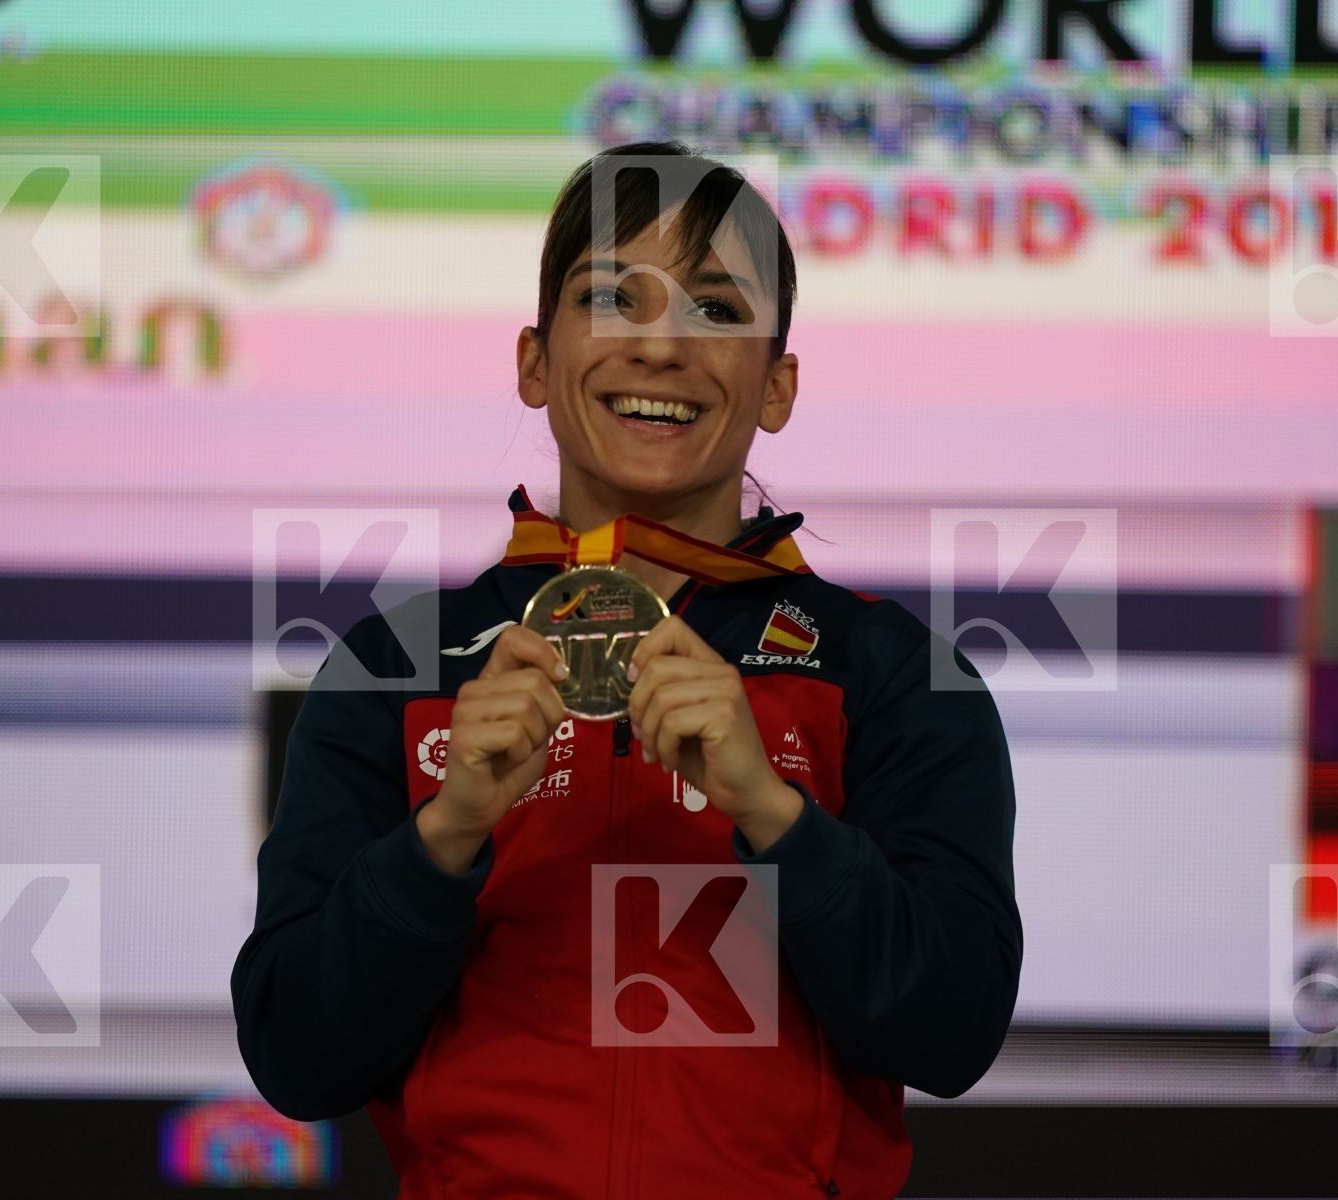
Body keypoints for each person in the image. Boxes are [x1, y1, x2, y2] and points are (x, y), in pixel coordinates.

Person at [231, 139, 1022, 1199]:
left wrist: (771, 811)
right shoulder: (393, 669)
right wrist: (446, 833)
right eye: (612, 297)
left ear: (777, 385)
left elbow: (952, 1031)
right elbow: (296, 1054)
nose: (660, 349)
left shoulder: (895, 675)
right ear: (532, 361)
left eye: (713, 308)